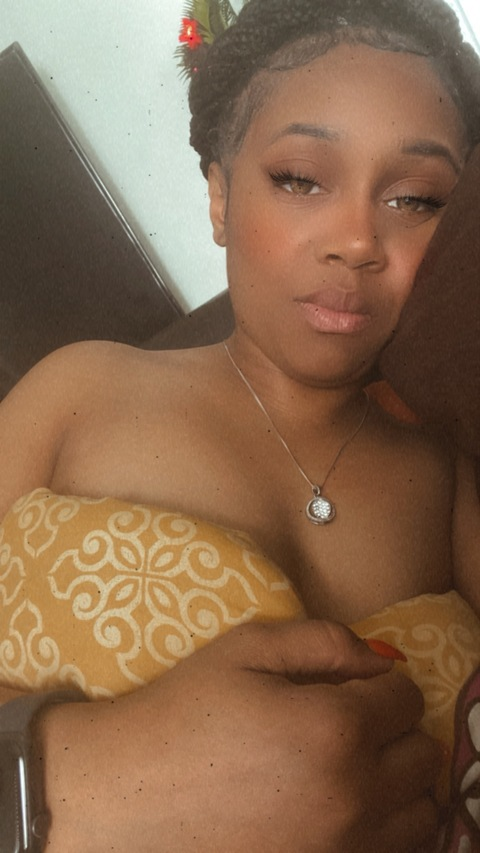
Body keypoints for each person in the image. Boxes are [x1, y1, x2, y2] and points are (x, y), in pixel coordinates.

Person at [1, 0, 480, 849]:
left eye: (415, 197)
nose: (357, 240)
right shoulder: (79, 392)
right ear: (221, 197)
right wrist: (87, 777)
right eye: (299, 178)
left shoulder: (449, 475)